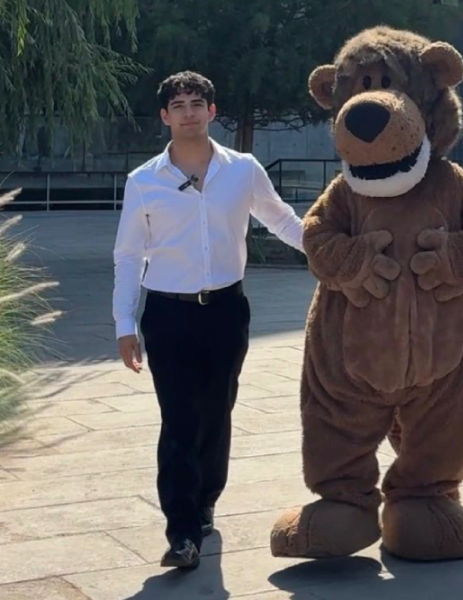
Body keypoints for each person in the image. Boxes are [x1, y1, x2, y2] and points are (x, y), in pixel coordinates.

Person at [112, 71, 306, 570]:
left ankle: (204, 501)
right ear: (164, 116)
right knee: (178, 418)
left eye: (197, 103)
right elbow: (129, 256)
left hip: (225, 310)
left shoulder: (241, 170)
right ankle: (181, 531)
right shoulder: (144, 181)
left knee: (217, 412)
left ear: (213, 111)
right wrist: (124, 324)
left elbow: (281, 219)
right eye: (178, 104)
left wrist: (330, 251)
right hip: (167, 314)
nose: (189, 112)